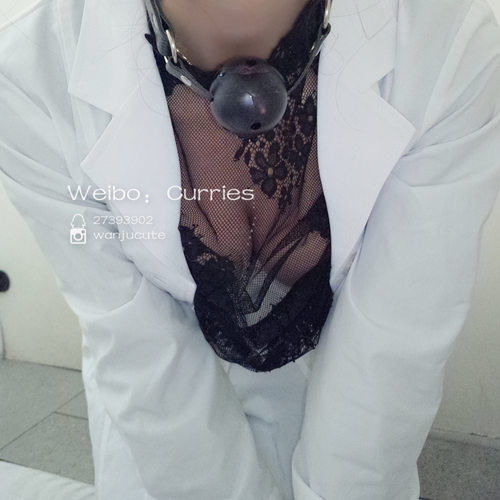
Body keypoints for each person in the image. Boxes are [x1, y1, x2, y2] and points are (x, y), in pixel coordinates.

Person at [0, 0, 499, 499]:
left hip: (348, 388)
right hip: (166, 420)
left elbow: (400, 325)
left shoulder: (450, 43)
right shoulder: (29, 74)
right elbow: (132, 333)